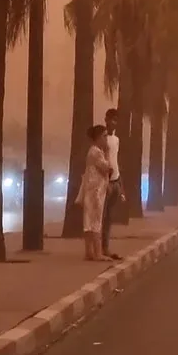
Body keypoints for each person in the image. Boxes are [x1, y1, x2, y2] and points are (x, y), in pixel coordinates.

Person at [75, 125, 113, 261]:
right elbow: (107, 168)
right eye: (104, 136)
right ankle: (97, 253)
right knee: (96, 220)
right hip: (95, 192)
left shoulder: (93, 151)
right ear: (97, 138)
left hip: (92, 190)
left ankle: (89, 252)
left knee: (89, 221)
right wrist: (108, 152)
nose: (106, 139)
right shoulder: (97, 152)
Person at [102, 109, 126, 260]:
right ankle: (100, 248)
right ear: (106, 120)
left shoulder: (116, 140)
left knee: (109, 217)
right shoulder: (102, 139)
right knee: (102, 216)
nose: (114, 123)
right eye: (112, 120)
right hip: (106, 182)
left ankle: (106, 247)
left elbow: (115, 161)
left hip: (116, 180)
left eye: (116, 120)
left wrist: (121, 185)